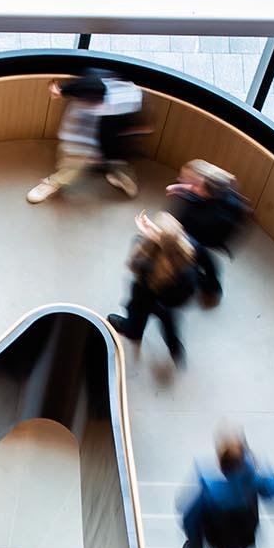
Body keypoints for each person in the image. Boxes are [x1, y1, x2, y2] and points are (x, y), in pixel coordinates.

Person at [178, 423, 274, 548]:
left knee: (193, 523)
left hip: (216, 540)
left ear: (220, 463)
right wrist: (262, 465)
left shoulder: (208, 491)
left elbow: (187, 520)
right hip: (245, 538)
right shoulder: (255, 480)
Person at [26, 71, 141, 204]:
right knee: (76, 164)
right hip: (90, 135)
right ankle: (53, 182)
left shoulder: (122, 99)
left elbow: (118, 132)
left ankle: (113, 169)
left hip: (106, 133)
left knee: (88, 161)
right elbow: (76, 139)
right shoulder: (84, 108)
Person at [107, 211, 198, 365]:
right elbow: (170, 243)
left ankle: (133, 332)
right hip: (168, 304)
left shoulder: (145, 260)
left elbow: (133, 264)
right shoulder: (187, 253)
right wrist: (156, 234)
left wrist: (142, 235)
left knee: (136, 318)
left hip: (144, 298)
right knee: (169, 325)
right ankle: (175, 349)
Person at [166, 159, 248, 301]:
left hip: (204, 238)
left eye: (189, 182)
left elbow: (193, 228)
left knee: (197, 258)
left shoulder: (219, 212)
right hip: (200, 235)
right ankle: (211, 285)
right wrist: (182, 188)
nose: (181, 181)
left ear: (203, 185)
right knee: (203, 259)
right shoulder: (213, 190)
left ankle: (208, 285)